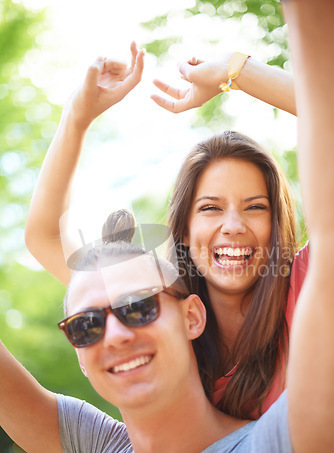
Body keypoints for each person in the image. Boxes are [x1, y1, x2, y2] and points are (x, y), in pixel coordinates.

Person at [25, 37, 305, 420]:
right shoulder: (159, 309)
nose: (234, 226)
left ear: (277, 226)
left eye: (256, 207)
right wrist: (77, 116)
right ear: (185, 232)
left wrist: (233, 70)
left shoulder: (309, 287)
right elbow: (47, 238)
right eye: (210, 208)